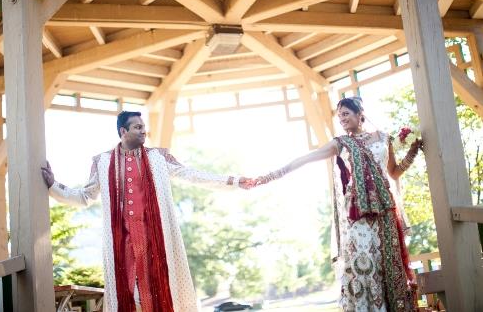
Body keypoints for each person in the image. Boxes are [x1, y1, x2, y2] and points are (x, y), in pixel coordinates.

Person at [41, 111, 253, 312]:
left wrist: (234, 181)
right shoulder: (102, 162)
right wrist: (54, 186)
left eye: (144, 127)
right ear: (123, 132)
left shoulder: (158, 157)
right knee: (130, 297)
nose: (144, 131)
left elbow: (192, 174)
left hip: (155, 239)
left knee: (160, 292)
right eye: (138, 127)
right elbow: (85, 196)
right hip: (121, 242)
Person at [255, 97, 421, 311]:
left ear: (360, 113)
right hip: (358, 214)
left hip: (386, 212)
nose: (342, 119)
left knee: (388, 264)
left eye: (345, 114)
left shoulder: (383, 138)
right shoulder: (341, 143)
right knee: (363, 266)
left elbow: (394, 172)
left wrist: (412, 152)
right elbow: (309, 157)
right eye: (339, 116)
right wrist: (272, 175)